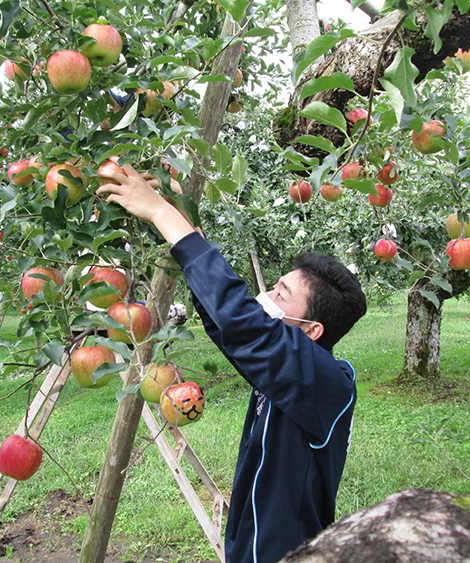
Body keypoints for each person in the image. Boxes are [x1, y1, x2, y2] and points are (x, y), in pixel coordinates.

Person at [97, 164, 367, 563]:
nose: (266, 296)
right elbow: (226, 323)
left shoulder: (327, 385)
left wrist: (158, 213)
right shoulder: (285, 373)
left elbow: (241, 320)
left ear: (311, 331)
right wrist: (176, 213)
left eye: (280, 293)